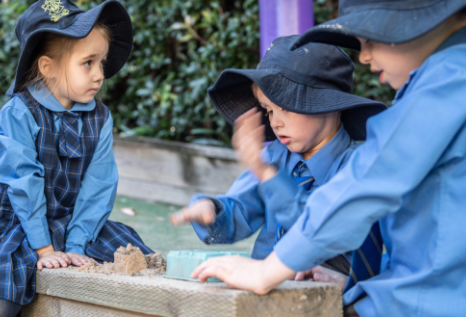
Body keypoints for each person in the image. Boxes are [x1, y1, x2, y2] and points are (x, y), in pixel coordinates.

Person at [191, 1, 466, 316]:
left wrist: (267, 270)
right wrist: (212, 210)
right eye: (268, 110)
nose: (363, 55)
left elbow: (363, 190)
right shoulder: (438, 77)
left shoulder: (448, 80)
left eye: (371, 37)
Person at [0, 1, 153, 316]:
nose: (100, 74)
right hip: (19, 227)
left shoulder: (101, 117)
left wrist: (75, 248)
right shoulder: (18, 113)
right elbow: (24, 184)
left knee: (146, 266)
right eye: (88, 63)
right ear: (47, 67)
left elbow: (98, 187)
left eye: (101, 62)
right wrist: (44, 250)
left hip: (81, 225)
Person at [170, 35, 386, 278]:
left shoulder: (358, 166)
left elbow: (319, 229)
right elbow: (240, 210)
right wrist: (211, 210)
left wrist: (267, 174)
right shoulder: (272, 156)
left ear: (330, 104)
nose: (275, 122)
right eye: (269, 110)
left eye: (286, 107)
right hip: (261, 292)